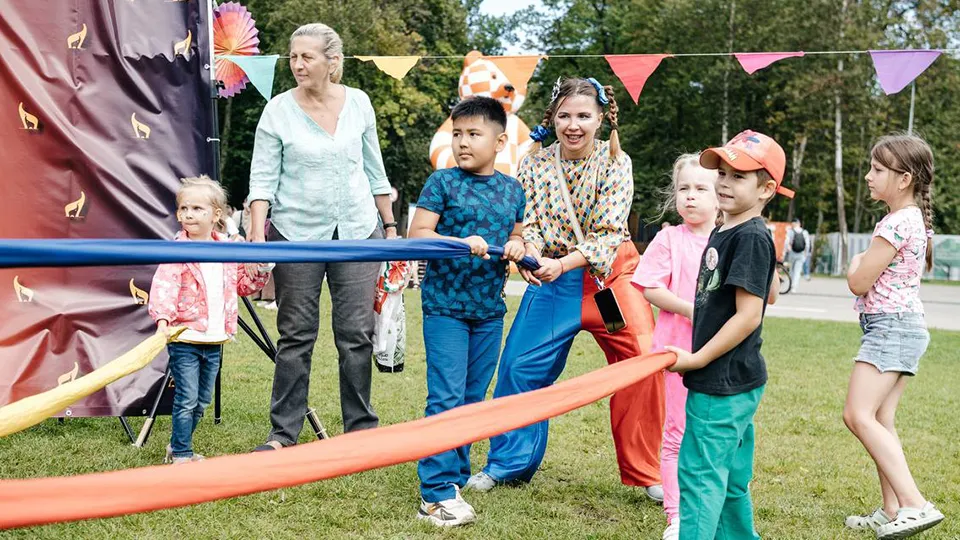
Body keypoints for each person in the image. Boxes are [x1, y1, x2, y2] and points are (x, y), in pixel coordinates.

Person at [466, 77, 664, 501]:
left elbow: (611, 231)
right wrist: (532, 256)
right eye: (565, 115)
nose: (573, 125)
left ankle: (649, 472)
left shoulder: (616, 161)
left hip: (609, 280)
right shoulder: (535, 162)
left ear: (600, 119)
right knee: (519, 367)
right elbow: (530, 221)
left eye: (583, 116)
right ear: (552, 118)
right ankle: (506, 465)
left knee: (644, 363)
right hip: (552, 282)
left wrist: (563, 262)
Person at [246, 23, 398, 450]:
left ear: (332, 62)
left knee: (356, 336)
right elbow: (262, 180)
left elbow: (374, 170)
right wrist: (257, 233)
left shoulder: (360, 103)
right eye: (293, 56)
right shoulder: (277, 110)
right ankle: (283, 435)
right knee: (296, 335)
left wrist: (388, 227)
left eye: (306, 57)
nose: (297, 64)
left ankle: (360, 432)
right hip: (296, 235)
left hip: (356, 231)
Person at [407, 96, 526, 526]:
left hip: (488, 311)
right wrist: (459, 242)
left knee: (474, 401)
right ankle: (435, 494)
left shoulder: (512, 189)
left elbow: (518, 235)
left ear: (499, 141)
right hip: (445, 308)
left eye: (473, 134)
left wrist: (518, 247)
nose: (462, 142)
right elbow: (419, 233)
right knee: (446, 397)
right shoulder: (442, 183)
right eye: (456, 133)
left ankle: (454, 478)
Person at [666, 130, 790, 539]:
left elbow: (749, 315)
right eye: (722, 172)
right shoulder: (732, 230)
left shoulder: (750, 235)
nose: (722, 182)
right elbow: (767, 292)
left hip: (720, 382)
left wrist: (698, 359)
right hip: (738, 379)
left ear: (766, 189)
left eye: (739, 176)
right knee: (731, 479)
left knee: (700, 476)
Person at [842, 134, 944, 538]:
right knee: (881, 418)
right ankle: (893, 509)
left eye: (878, 170)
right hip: (900, 327)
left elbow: (859, 281)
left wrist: (854, 263)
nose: (869, 176)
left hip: (892, 328)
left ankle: (915, 504)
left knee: (857, 415)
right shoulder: (908, 219)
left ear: (904, 179)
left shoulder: (898, 222)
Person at [148, 176, 270, 464]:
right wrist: (164, 320)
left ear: (216, 215)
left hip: (214, 338)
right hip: (185, 337)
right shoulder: (176, 251)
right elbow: (164, 285)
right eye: (183, 208)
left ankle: (177, 445)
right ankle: (181, 453)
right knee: (187, 399)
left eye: (197, 209)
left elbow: (243, 284)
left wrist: (261, 269)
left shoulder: (227, 250)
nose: (188, 214)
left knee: (202, 401)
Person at [631, 154, 719, 540]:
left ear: (722, 195)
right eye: (684, 188)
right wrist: (692, 310)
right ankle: (678, 515)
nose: (691, 197)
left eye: (701, 188)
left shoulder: (732, 238)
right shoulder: (669, 239)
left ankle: (717, 507)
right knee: (678, 433)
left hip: (722, 352)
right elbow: (650, 287)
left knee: (714, 432)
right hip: (677, 353)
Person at [785, 217, 810, 292]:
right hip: (801, 254)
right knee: (797, 271)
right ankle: (794, 287)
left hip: (792, 253)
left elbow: (787, 242)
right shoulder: (804, 232)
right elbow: (807, 244)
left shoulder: (790, 231)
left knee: (791, 270)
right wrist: (806, 254)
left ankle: (790, 285)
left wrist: (787, 250)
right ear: (799, 224)